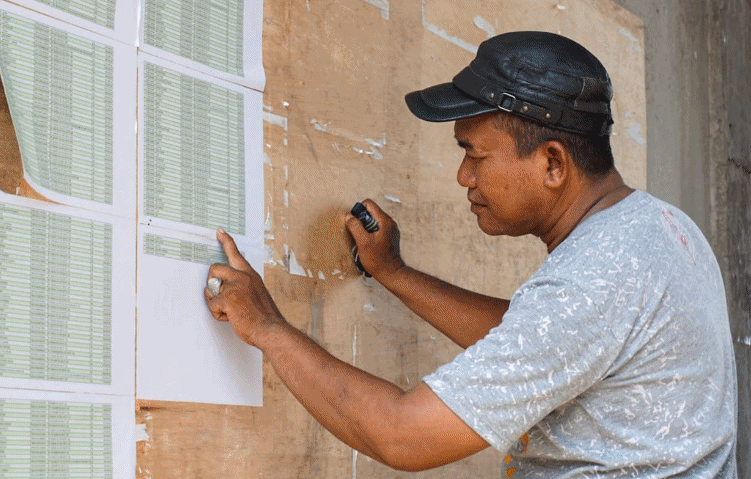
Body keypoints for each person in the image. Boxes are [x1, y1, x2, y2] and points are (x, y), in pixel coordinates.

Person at [204, 32, 738, 477]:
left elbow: (404, 436)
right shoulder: (657, 227)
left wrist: (269, 329)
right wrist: (394, 274)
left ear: (553, 163)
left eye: (474, 155)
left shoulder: (597, 277)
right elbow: (543, 338)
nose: (464, 177)